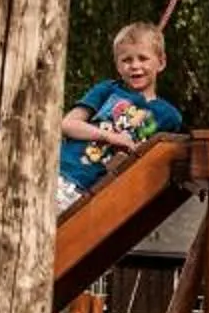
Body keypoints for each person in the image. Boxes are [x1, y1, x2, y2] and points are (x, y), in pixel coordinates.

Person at [56, 21, 185, 210]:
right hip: (62, 171)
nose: (135, 66)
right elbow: (67, 124)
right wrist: (110, 137)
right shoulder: (108, 89)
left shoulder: (169, 116)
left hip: (92, 194)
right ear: (118, 65)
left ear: (161, 62)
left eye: (143, 58)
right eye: (127, 60)